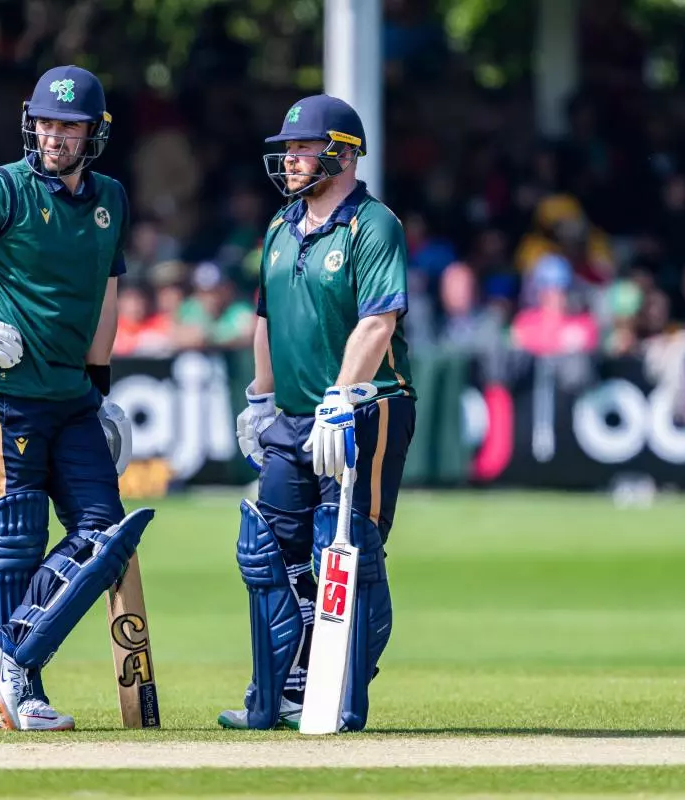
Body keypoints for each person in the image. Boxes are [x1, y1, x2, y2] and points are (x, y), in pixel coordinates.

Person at [0, 65, 152, 733]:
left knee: (106, 534)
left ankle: (9, 659)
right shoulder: (3, 189)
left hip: (71, 394)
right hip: (1, 390)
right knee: (14, 538)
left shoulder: (111, 200)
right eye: (45, 121)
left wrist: (101, 390)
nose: (53, 135)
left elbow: (105, 293)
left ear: (93, 132)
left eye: (68, 125)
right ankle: (17, 693)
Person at [220, 95, 417, 732]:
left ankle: (340, 689)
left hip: (368, 408)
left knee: (349, 546)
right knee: (270, 553)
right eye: (289, 150)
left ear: (343, 152)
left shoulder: (373, 224)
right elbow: (267, 318)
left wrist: (340, 397)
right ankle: (279, 689)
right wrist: (258, 396)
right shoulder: (280, 227)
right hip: (295, 417)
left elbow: (379, 320)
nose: (292, 159)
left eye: (304, 148)